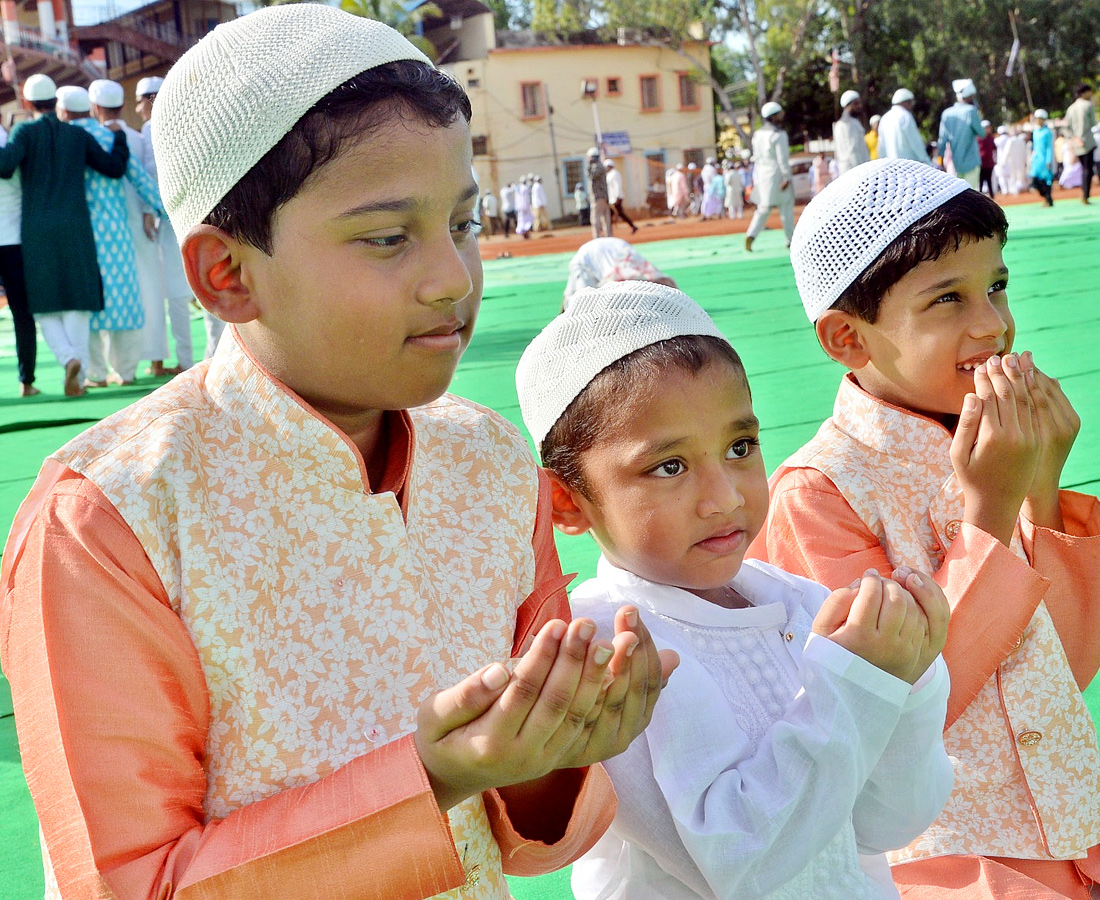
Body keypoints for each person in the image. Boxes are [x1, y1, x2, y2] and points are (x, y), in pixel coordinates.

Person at [0, 7, 680, 899]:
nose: (453, 277)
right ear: (226, 275)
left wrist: (549, 751)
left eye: (463, 224)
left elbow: (527, 838)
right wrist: (429, 779)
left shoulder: (486, 462)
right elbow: (130, 883)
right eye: (388, 236)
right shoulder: (110, 519)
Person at [750, 156, 1100, 900]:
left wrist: (1042, 489)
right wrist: (992, 512)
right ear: (847, 338)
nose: (993, 323)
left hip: (1089, 826)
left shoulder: (996, 443)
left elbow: (1068, 669)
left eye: (996, 285)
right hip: (951, 861)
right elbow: (898, 714)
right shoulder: (818, 492)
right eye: (947, 300)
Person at [515, 281, 954, 900]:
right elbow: (741, 864)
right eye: (669, 467)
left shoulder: (798, 601)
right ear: (566, 501)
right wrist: (855, 681)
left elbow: (887, 824)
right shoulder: (611, 650)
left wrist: (907, 679)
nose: (724, 497)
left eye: (740, 447)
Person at [0, 73, 129, 398]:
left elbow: (5, 167)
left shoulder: (24, 132)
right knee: (77, 303)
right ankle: (80, 376)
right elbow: (114, 167)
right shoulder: (76, 135)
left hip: (36, 230)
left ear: (27, 103)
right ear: (55, 102)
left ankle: (68, 358)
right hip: (76, 228)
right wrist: (120, 137)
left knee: (43, 307)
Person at [82, 79, 166, 387]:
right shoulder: (132, 137)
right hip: (129, 229)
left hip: (91, 233)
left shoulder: (81, 138)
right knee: (134, 297)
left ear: (95, 106)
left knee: (94, 301)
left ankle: (96, 373)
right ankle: (136, 366)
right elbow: (143, 176)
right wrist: (155, 210)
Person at [135, 74, 204, 368]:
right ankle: (210, 358)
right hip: (200, 215)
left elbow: (152, 176)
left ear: (149, 101)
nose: (138, 109)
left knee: (177, 294)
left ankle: (186, 362)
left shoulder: (152, 129)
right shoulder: (193, 122)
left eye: (140, 102)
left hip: (172, 221)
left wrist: (149, 211)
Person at [0, 117, 36, 396]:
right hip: (13, 241)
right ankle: (26, 382)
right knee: (21, 314)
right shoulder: (14, 142)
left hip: (13, 239)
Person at [561, 237, 676, 310]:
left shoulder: (640, 272)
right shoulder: (623, 277)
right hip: (588, 258)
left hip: (611, 249)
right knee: (582, 305)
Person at [745, 101, 795, 252]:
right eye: (779, 114)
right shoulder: (778, 135)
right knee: (786, 208)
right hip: (778, 174)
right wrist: (787, 177)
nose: (782, 116)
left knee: (763, 208)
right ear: (773, 117)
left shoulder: (758, 135)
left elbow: (756, 158)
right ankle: (790, 239)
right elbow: (782, 159)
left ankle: (751, 234)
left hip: (763, 174)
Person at [937, 79, 985, 189]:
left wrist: (940, 161)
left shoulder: (946, 113)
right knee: (973, 194)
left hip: (956, 164)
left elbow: (942, 141)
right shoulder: (971, 111)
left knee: (960, 194)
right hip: (972, 161)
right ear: (969, 95)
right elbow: (982, 133)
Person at [1062, 84, 1097, 203]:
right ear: (1084, 93)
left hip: (1077, 143)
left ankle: (1084, 193)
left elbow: (1066, 127)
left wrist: (1075, 138)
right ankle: (1085, 194)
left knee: (1083, 169)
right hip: (1087, 142)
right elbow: (1093, 123)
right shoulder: (1088, 105)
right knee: (1088, 170)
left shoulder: (1071, 108)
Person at [877, 89, 930, 164]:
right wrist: (926, 161)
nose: (912, 106)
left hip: (890, 166)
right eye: (911, 102)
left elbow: (881, 146)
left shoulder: (885, 118)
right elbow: (915, 142)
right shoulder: (905, 116)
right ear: (906, 102)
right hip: (908, 165)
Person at [833, 89, 870, 176]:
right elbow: (853, 151)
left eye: (859, 103)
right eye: (856, 104)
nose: (859, 106)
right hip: (855, 171)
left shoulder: (848, 123)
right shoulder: (848, 124)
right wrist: (863, 174)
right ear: (847, 106)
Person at [1029, 109, 1055, 206]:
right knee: (1035, 181)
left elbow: (1049, 147)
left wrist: (1048, 160)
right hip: (1036, 159)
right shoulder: (1035, 132)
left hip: (1044, 160)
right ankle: (1045, 196)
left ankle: (1048, 199)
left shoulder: (1047, 132)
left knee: (1046, 180)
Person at [604, 159, 637, 234]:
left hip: (616, 198)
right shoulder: (609, 175)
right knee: (611, 214)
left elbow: (617, 186)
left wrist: (617, 197)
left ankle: (632, 226)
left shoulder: (615, 174)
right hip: (612, 198)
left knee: (619, 213)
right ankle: (608, 231)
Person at [586, 147, 612, 238]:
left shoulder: (597, 167)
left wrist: (588, 167)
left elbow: (592, 176)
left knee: (595, 218)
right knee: (605, 218)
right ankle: (608, 236)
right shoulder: (600, 166)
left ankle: (597, 237)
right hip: (603, 196)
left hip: (598, 197)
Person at [977, 120, 996, 196]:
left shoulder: (991, 138)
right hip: (980, 162)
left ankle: (992, 195)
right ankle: (980, 195)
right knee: (981, 180)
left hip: (989, 163)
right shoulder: (978, 138)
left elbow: (994, 148)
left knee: (989, 180)